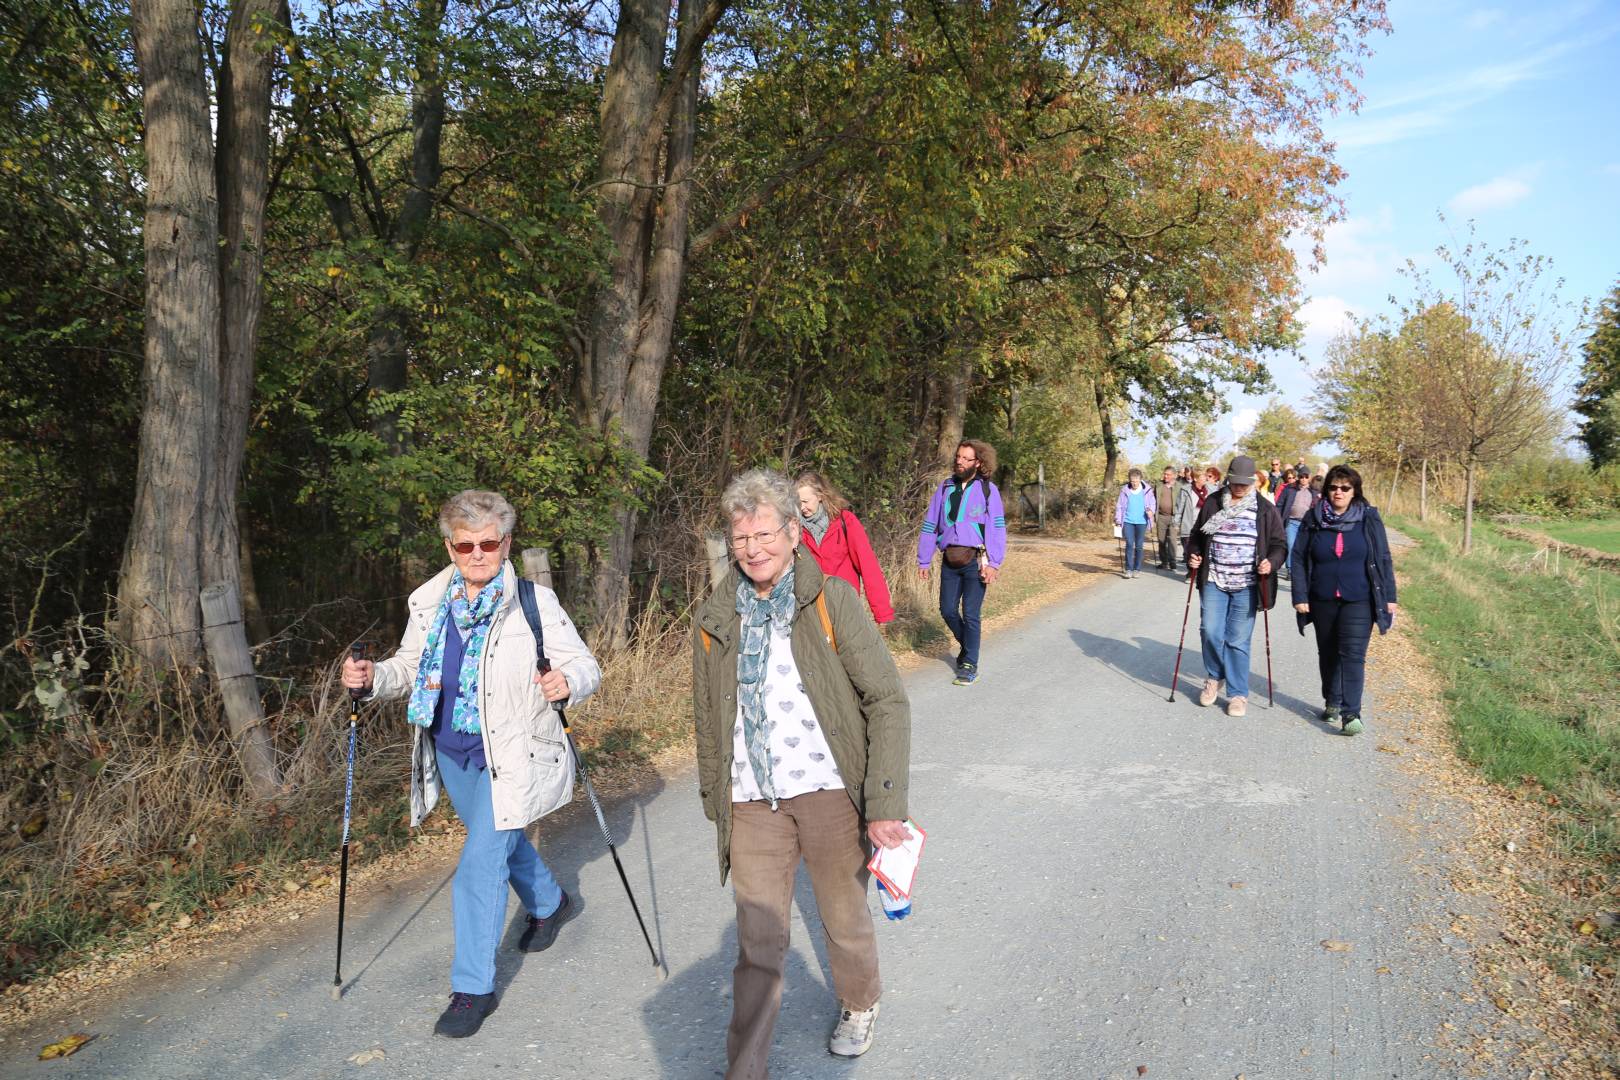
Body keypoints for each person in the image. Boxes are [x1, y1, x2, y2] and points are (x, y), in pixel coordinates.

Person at [341, 490, 600, 1039]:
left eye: (489, 542)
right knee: (501, 840)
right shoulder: (429, 602)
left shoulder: (532, 603)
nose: (477, 553)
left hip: (514, 753)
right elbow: (409, 668)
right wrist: (371, 680)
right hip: (450, 750)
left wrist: (567, 681)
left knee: (480, 864)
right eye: (466, 543)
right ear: (450, 545)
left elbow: (584, 664)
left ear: (506, 543)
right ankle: (551, 903)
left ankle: (471, 989)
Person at [693, 468, 911, 1077]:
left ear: (793, 532)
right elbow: (707, 714)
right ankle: (747, 1066)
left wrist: (884, 800)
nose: (753, 549)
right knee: (758, 942)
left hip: (828, 791)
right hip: (751, 797)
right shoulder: (716, 616)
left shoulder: (832, 599)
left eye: (764, 534)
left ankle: (859, 1001)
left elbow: (887, 700)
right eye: (740, 539)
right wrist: (717, 796)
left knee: (842, 916)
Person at [1290, 465, 1398, 736]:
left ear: (1354, 491)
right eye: (1333, 487)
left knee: (1353, 656)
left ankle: (1352, 714)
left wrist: (1390, 597)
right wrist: (1300, 596)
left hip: (1359, 599)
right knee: (1328, 654)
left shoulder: (1369, 518)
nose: (1338, 492)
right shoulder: (1314, 518)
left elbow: (1383, 557)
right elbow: (1300, 558)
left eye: (1344, 488)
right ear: (1326, 490)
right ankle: (1332, 701)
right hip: (1322, 597)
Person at [1184, 456, 1287, 717]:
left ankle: (1238, 693)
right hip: (1215, 580)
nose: (1239, 487)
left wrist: (1271, 563)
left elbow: (1279, 544)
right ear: (1228, 479)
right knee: (1210, 630)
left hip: (1247, 584)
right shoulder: (1214, 503)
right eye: (1235, 482)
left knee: (1237, 640)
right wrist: (1194, 554)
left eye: (1244, 483)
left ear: (1252, 481)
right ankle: (1215, 676)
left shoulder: (1264, 509)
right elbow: (1197, 535)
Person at [917, 439, 1007, 685]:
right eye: (958, 456)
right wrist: (923, 560)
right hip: (950, 559)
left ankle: (969, 664)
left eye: (966, 458)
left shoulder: (988, 490)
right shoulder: (945, 488)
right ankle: (969, 647)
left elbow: (997, 528)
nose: (960, 461)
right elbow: (929, 524)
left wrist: (994, 563)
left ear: (978, 463)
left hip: (976, 560)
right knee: (947, 610)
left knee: (970, 613)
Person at [795, 470, 895, 625]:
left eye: (805, 501)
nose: (801, 508)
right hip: (812, 611)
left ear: (820, 496)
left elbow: (868, 566)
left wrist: (882, 612)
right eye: (798, 502)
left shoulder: (845, 522)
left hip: (845, 607)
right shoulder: (795, 530)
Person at [1113, 467, 1156, 579]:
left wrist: (1151, 511)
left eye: (1136, 481)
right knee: (1129, 544)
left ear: (1140, 480)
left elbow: (1152, 503)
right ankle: (1128, 569)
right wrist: (1118, 519)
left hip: (1142, 521)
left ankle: (1137, 569)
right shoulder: (1124, 490)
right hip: (1127, 521)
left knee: (1139, 546)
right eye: (1132, 481)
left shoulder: (1147, 490)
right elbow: (1119, 506)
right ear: (1129, 480)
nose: (1134, 484)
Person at [1275, 469, 1314, 580]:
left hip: (1306, 524)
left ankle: (1304, 569)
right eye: (1301, 477)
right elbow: (1280, 504)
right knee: (1291, 545)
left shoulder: (1314, 491)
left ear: (1309, 477)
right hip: (1291, 522)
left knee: (1306, 547)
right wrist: (1278, 519)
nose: (1304, 479)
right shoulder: (1290, 489)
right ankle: (1290, 570)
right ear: (1298, 477)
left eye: (1306, 477)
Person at [1173, 464, 1209, 570]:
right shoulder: (1186, 490)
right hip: (1189, 525)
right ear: (1196, 478)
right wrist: (1176, 523)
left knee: (1203, 550)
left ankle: (1200, 573)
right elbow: (1179, 507)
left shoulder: (1210, 490)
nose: (1206, 479)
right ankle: (1190, 572)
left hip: (1205, 525)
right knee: (1190, 551)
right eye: (1203, 477)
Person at [1152, 466, 1179, 571]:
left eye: (1168, 474)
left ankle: (1173, 563)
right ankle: (1164, 563)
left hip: (1174, 517)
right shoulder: (1159, 486)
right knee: (1161, 540)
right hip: (1161, 517)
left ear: (1174, 476)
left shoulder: (1179, 487)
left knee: (1172, 540)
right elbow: (1153, 500)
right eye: (1164, 474)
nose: (1165, 476)